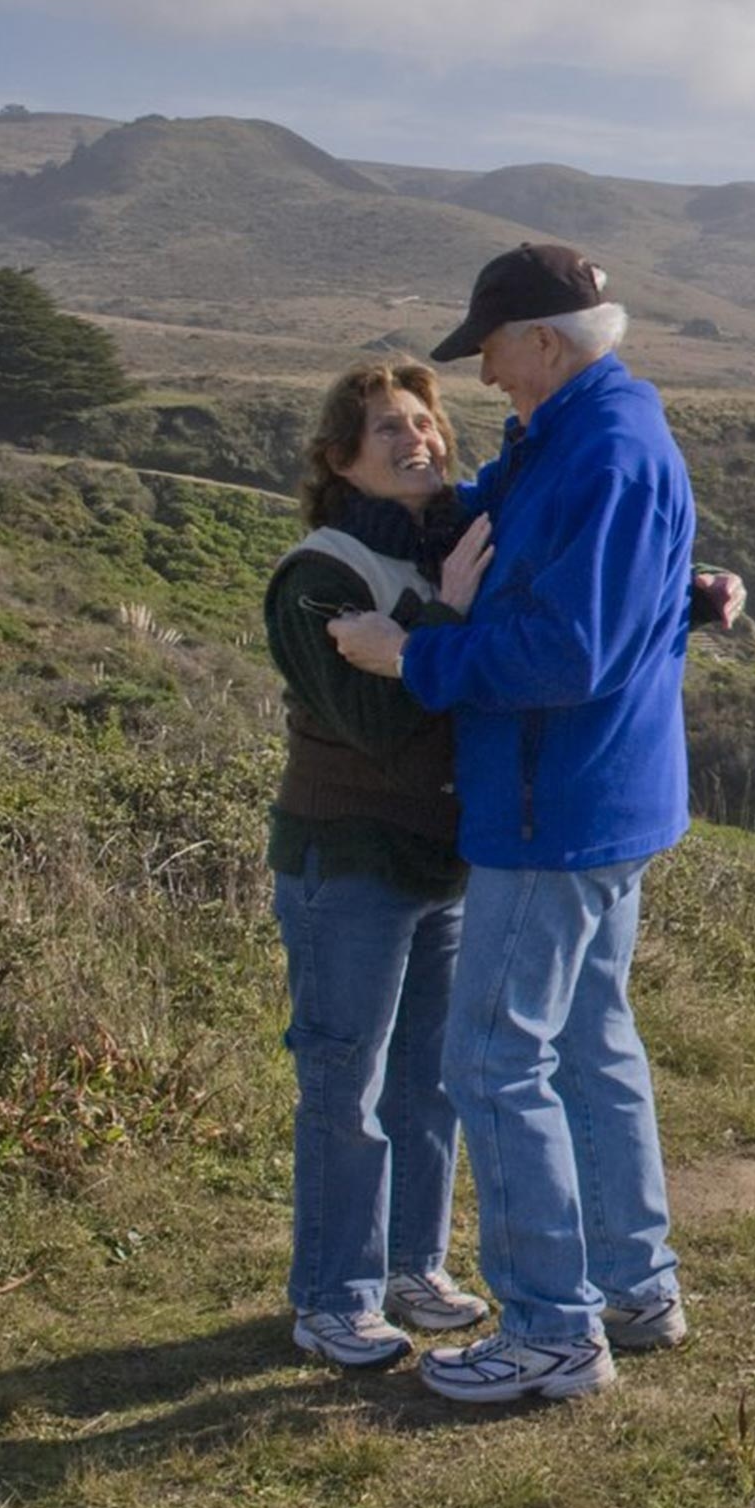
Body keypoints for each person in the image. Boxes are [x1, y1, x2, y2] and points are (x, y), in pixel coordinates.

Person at [331, 242, 718, 1403]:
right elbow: (610, 592)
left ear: (543, 340)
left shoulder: (599, 451)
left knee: (495, 1056)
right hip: (606, 795)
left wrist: (417, 654)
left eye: (492, 350)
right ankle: (633, 1284)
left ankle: (553, 1326)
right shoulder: (587, 434)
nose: (486, 376)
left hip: (558, 802)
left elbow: (570, 649)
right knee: (592, 1038)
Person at [265, 362, 497, 1369]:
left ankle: (412, 1266)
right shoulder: (318, 576)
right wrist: (444, 616)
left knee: (427, 1081)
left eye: (423, 421)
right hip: (347, 857)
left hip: (439, 862)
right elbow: (380, 729)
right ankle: (331, 1296)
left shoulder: (454, 547)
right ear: (339, 458)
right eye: (387, 428)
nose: (417, 440)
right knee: (342, 1081)